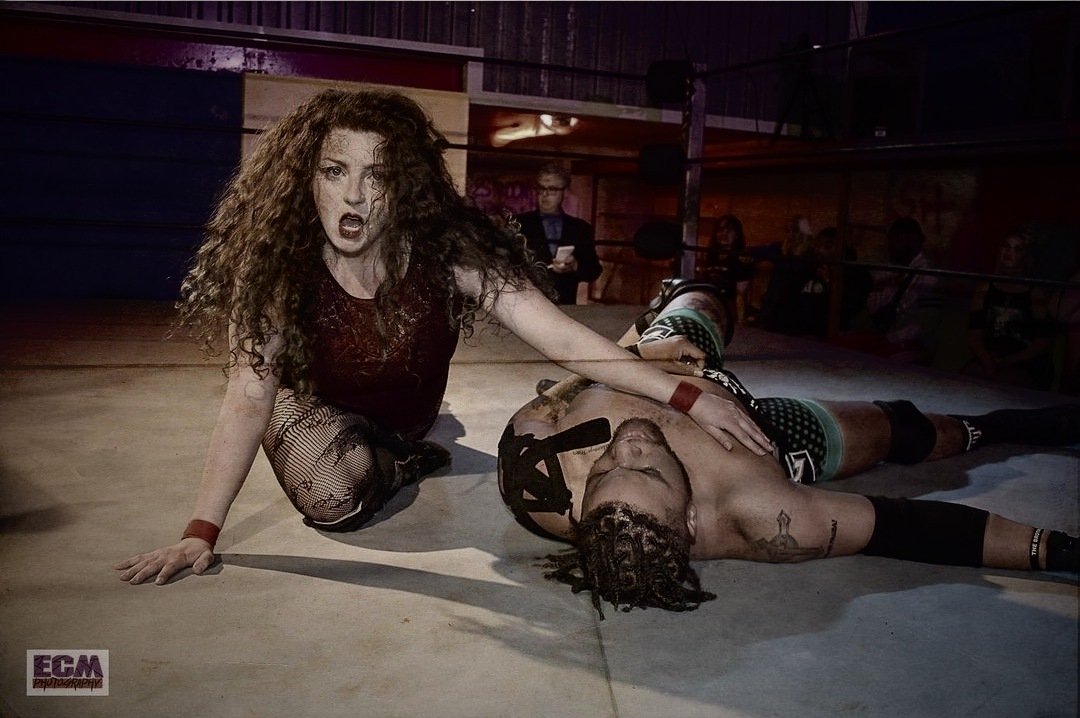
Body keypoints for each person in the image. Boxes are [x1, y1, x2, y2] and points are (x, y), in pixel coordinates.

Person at [115, 89, 772, 586]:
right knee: (332, 499)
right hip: (319, 412)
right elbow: (248, 397)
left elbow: (560, 336)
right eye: (335, 171)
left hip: (409, 417)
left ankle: (404, 455)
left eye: (378, 175)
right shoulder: (278, 269)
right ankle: (385, 461)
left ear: (405, 186)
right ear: (304, 177)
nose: (355, 197)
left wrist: (686, 398)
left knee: (374, 460)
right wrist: (202, 530)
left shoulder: (445, 250)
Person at [498, 282, 1079, 617]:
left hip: (655, 369)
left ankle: (671, 298)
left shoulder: (537, 480)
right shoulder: (763, 518)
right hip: (762, 433)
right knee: (908, 432)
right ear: (693, 517)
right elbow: (908, 526)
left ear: (583, 506)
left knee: (701, 304)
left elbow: (563, 381)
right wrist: (1056, 551)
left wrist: (636, 357)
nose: (626, 447)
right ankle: (999, 426)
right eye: (647, 470)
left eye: (604, 471)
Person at [839, 217, 941, 362]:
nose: (890, 246)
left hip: (914, 345)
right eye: (891, 240)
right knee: (839, 346)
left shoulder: (929, 275)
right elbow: (875, 307)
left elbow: (924, 326)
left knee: (865, 360)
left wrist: (888, 338)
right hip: (887, 337)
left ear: (913, 240)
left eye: (896, 240)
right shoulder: (894, 269)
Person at [965, 232, 1055, 389]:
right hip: (990, 357)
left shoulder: (1035, 293)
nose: (1009, 253)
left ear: (1025, 256)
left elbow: (1043, 340)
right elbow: (974, 333)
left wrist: (1013, 360)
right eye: (1006, 246)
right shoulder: (985, 289)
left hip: (1024, 362)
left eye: (1017, 249)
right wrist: (986, 359)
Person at [514, 163, 602, 305]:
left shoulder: (579, 228)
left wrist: (574, 266)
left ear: (565, 193)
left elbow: (594, 270)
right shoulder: (518, 224)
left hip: (564, 306)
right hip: (527, 305)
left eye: (552, 189)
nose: (545, 194)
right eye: (541, 188)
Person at [700, 214, 756, 323]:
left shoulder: (741, 259)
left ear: (736, 235)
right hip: (707, 307)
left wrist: (740, 322)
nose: (723, 233)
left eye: (729, 230)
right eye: (720, 230)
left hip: (728, 311)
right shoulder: (711, 256)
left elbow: (741, 294)